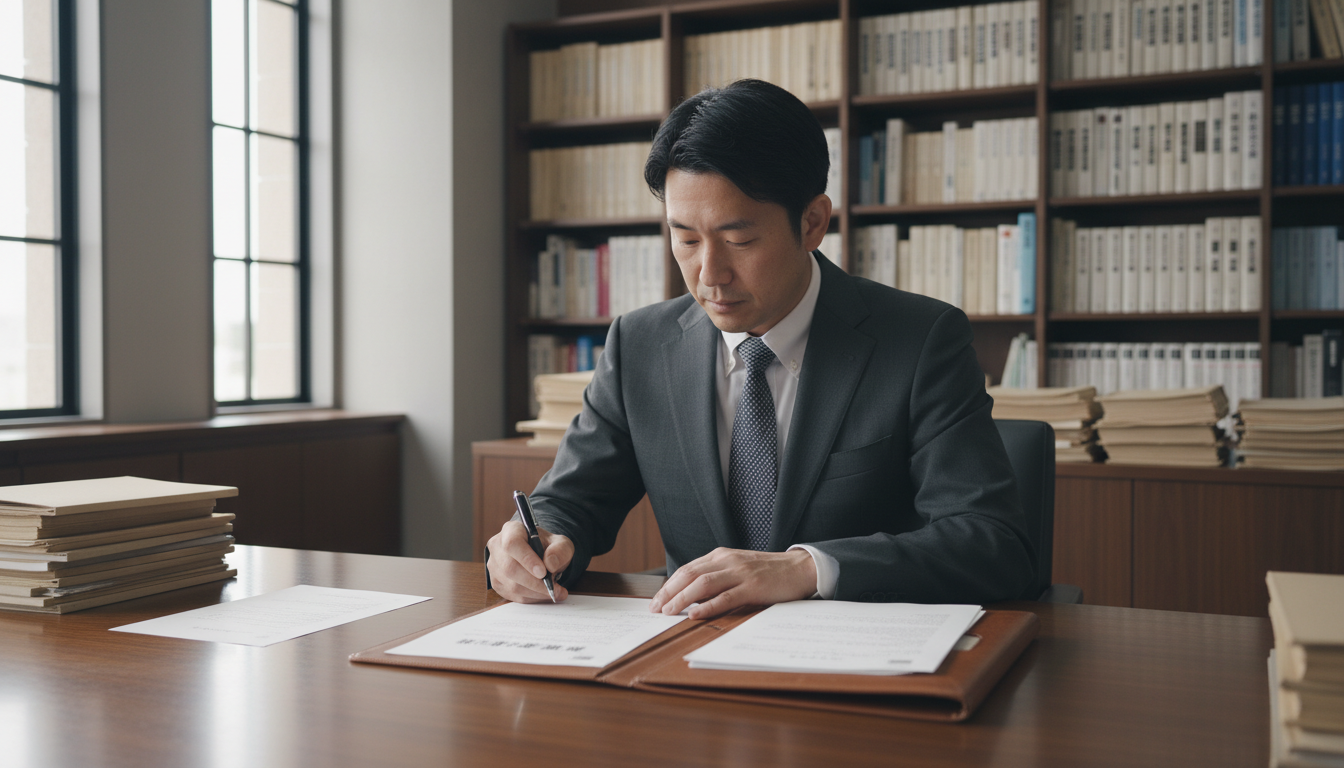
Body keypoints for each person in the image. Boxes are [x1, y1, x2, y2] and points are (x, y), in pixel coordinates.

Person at [487, 79, 1035, 620]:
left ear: (813, 223)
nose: (710, 274)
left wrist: (805, 568)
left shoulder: (920, 341)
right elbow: (572, 501)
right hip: (688, 658)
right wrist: (537, 541)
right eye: (686, 239)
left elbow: (992, 541)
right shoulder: (640, 345)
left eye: (739, 241)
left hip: (856, 667)